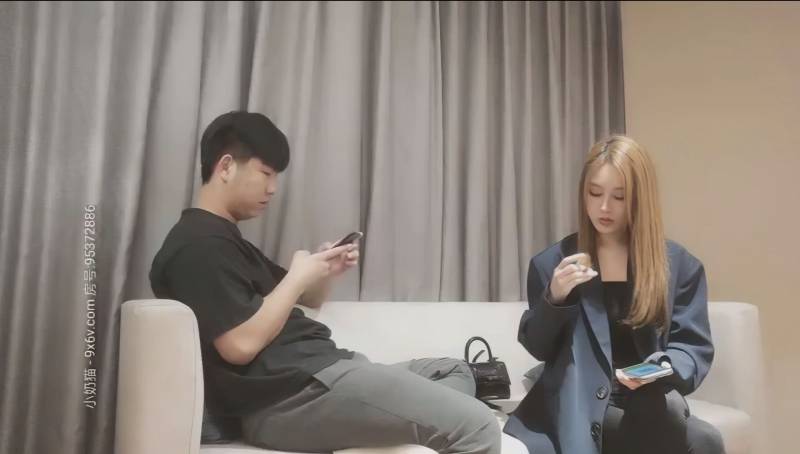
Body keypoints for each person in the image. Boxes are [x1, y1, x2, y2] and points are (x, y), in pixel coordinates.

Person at [149, 111, 500, 454]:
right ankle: (424, 420)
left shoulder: (227, 241)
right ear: (225, 167)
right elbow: (239, 345)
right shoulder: (197, 246)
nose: (273, 188)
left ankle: (408, 422)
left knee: (454, 370)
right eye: (265, 173)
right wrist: (297, 276)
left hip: (323, 374)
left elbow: (306, 299)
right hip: (288, 397)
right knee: (478, 425)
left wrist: (324, 272)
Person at [503, 135, 725, 454]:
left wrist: (660, 366)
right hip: (577, 403)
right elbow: (539, 348)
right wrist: (554, 299)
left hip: (647, 401)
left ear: (640, 198)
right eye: (594, 193)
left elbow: (692, 347)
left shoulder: (680, 267)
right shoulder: (553, 263)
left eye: (619, 197)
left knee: (705, 441)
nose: (604, 207)